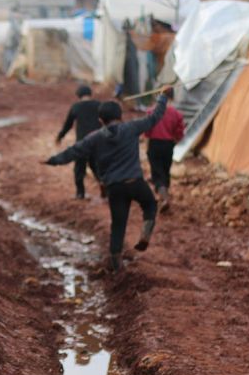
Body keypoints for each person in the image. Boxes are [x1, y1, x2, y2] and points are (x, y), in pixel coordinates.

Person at [42, 88, 171, 271]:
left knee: (118, 224)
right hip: (135, 182)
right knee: (150, 204)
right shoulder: (131, 127)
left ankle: (116, 261)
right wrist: (163, 97)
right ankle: (145, 233)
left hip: (114, 187)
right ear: (121, 116)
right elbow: (154, 118)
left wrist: (52, 161)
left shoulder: (95, 138)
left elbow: (73, 151)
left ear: (100, 120)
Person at [57, 84, 103, 199]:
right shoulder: (99, 105)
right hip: (96, 142)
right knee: (96, 166)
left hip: (82, 143)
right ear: (90, 94)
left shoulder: (76, 107)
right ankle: (105, 188)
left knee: (79, 169)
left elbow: (68, 125)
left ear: (78, 95)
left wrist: (60, 136)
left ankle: (80, 193)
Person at [144, 87, 184, 212]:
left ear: (158, 96)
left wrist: (147, 145)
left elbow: (147, 130)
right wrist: (175, 140)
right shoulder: (176, 114)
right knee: (165, 170)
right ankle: (163, 194)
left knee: (157, 172)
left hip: (154, 144)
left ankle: (164, 197)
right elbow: (180, 132)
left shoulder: (151, 111)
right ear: (172, 98)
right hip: (168, 145)